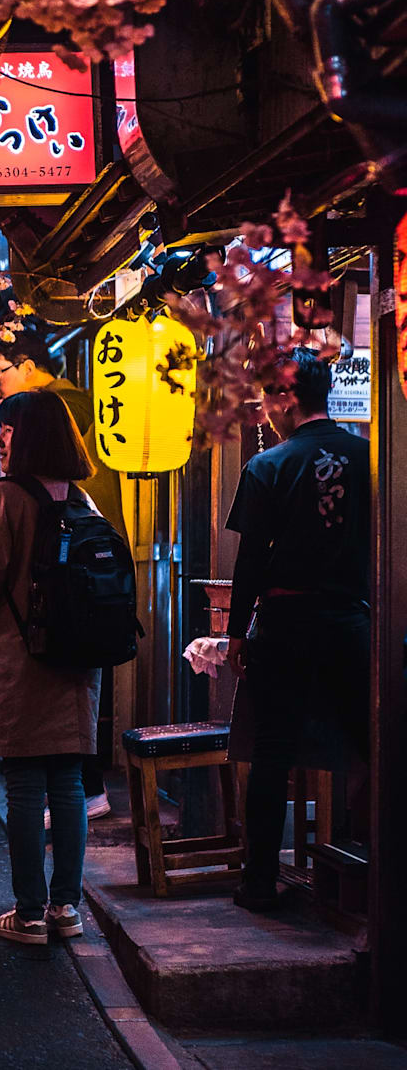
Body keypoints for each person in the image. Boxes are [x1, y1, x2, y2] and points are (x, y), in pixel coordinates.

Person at [0, 389, 101, 945]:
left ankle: (30, 912)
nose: (1, 438)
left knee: (23, 784)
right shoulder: (82, 501)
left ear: (27, 433)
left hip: (21, 658)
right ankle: (66, 908)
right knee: (67, 782)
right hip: (78, 664)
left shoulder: (6, 498)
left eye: (8, 428)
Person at [226, 348, 370, 912]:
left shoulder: (267, 466)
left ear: (286, 397)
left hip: (285, 623)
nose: (264, 410)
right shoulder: (370, 457)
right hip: (351, 621)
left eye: (266, 396)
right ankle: (386, 872)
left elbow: (250, 562)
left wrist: (238, 632)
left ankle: (259, 883)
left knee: (273, 750)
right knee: (375, 743)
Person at [0, 328, 124, 820]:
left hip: (67, 573)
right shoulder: (47, 486)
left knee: (39, 747)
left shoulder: (58, 407)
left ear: (26, 364)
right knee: (68, 717)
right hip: (78, 572)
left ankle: (38, 893)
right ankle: (62, 890)